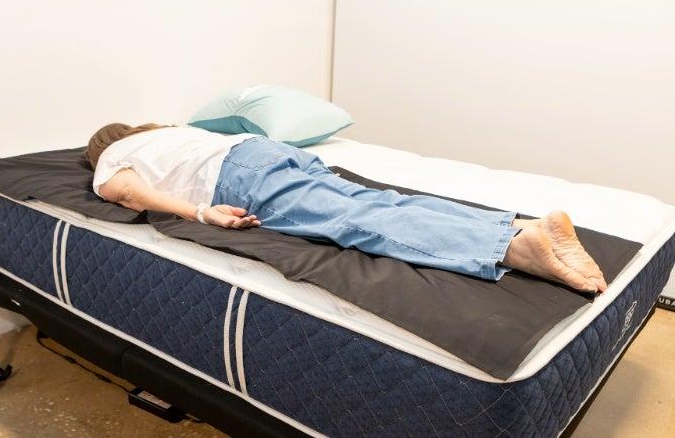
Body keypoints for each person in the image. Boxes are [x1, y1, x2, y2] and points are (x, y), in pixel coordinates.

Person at [87, 123, 608, 293]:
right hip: (259, 150)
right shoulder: (178, 131)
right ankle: (515, 225)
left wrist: (201, 213)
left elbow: (127, 194)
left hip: (235, 177)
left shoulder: (111, 154)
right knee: (377, 201)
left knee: (360, 221)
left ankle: (520, 249)